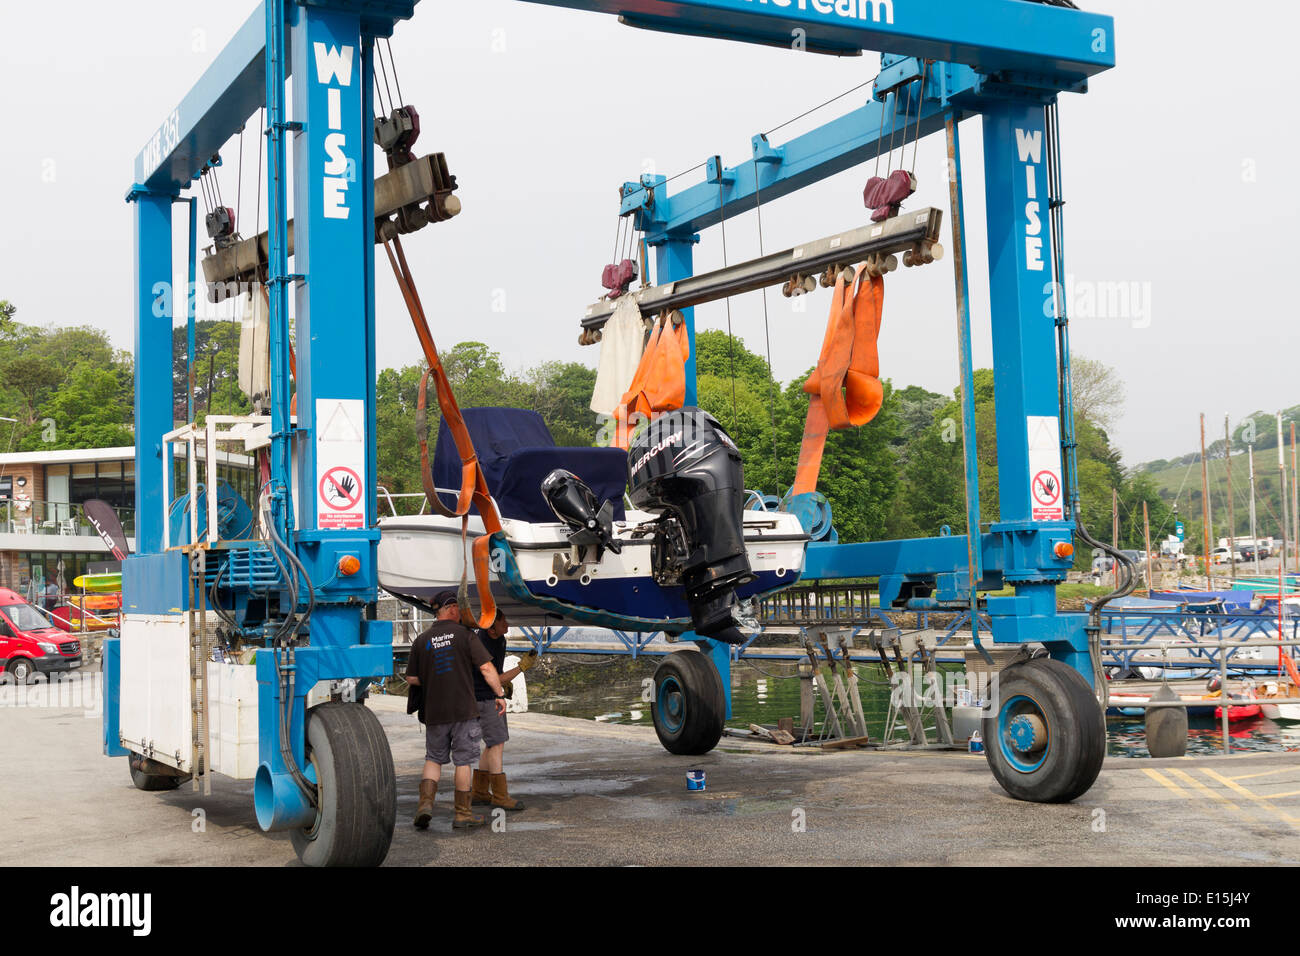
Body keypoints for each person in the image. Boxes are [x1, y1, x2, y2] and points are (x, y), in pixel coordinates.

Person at [405, 590, 508, 831]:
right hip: (463, 711)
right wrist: (499, 695)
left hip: (435, 711)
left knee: (433, 759)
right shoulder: (465, 635)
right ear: (452, 609)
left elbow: (411, 678)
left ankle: (425, 806)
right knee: (463, 762)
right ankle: (462, 814)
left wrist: (433, 680)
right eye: (458, 608)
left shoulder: (422, 640)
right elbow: (486, 668)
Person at [470, 610, 538, 812]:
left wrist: (502, 683)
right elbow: (494, 678)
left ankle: (480, 792)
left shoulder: (499, 641)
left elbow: (497, 674)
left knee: (491, 744)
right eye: (503, 621)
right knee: (497, 743)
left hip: (487, 695)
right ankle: (500, 796)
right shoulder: (481, 643)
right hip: (485, 698)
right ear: (492, 628)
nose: (507, 623)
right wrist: (521, 668)